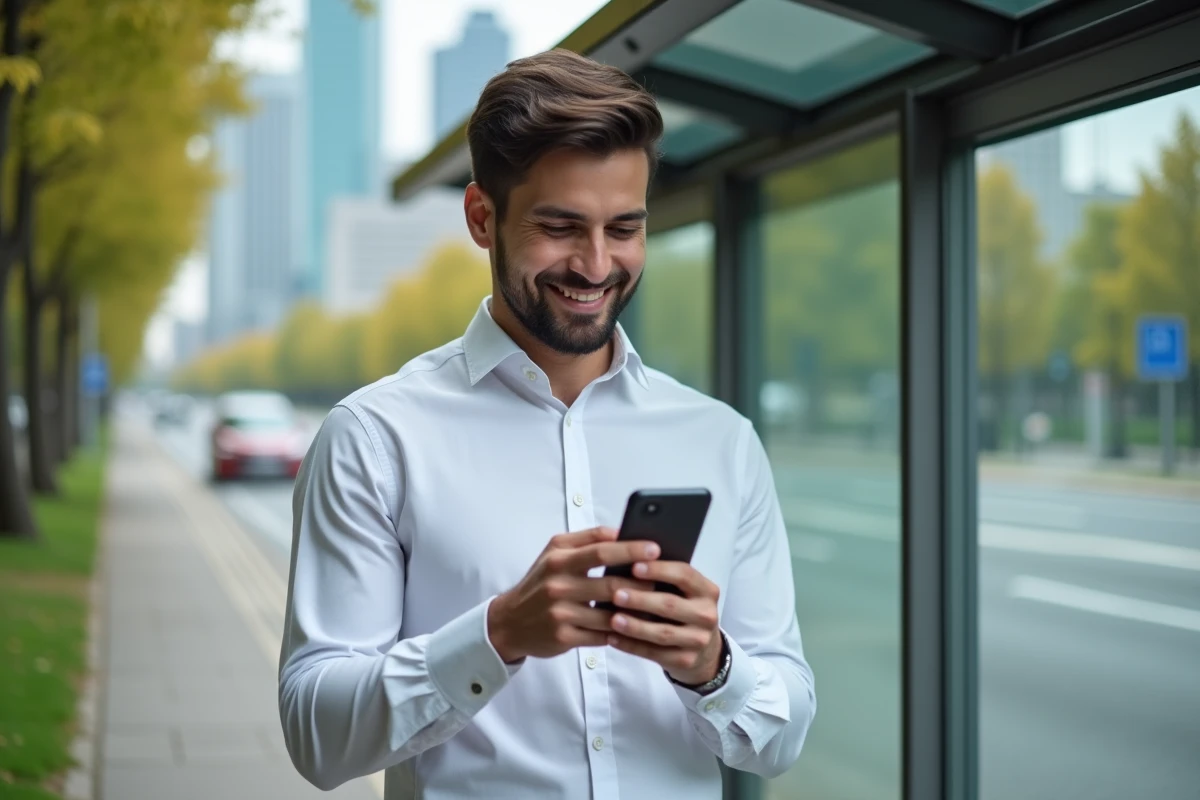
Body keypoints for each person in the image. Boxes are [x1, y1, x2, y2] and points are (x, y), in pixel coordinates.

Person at [278, 48, 815, 799]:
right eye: (561, 227)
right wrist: (495, 636)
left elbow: (782, 735)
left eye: (624, 228)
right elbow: (316, 736)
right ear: (481, 218)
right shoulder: (375, 437)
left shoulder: (722, 441)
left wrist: (712, 667)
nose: (596, 265)